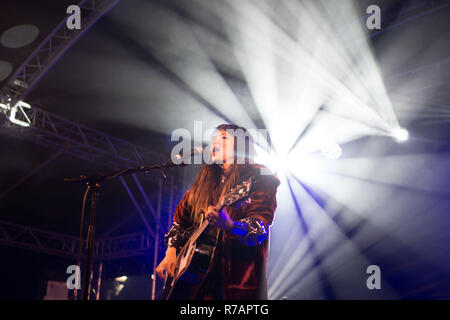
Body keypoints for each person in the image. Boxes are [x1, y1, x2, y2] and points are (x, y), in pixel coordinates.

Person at [155, 124, 280, 300]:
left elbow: (260, 229)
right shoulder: (204, 183)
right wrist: (171, 252)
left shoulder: (261, 176)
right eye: (214, 138)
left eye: (224, 138)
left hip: (237, 284)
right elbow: (179, 222)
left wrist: (230, 226)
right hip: (198, 288)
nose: (215, 141)